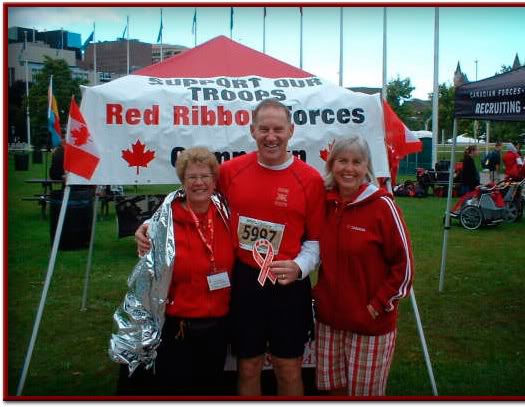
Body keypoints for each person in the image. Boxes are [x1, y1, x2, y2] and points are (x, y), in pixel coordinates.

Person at [135, 99, 325, 396]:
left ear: (291, 130)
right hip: (245, 282)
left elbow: (315, 241)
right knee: (248, 366)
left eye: (278, 129)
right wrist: (150, 223)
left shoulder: (311, 179)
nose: (271, 136)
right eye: (264, 129)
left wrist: (300, 266)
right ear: (252, 130)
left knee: (288, 368)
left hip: (288, 285)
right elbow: (193, 196)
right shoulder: (230, 171)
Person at [110, 147, 235, 396]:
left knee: (210, 388)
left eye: (205, 176)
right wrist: (144, 228)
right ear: (182, 181)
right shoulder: (164, 222)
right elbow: (147, 279)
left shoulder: (226, 214)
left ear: (214, 180)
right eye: (192, 177)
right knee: (177, 389)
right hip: (179, 328)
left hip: (218, 325)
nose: (199, 183)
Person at [313, 136, 414, 396]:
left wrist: (377, 305)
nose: (349, 168)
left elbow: (404, 267)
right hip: (329, 322)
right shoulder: (324, 204)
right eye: (342, 160)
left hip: (370, 324)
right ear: (331, 164)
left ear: (366, 166)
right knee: (332, 391)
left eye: (356, 162)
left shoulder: (383, 206)